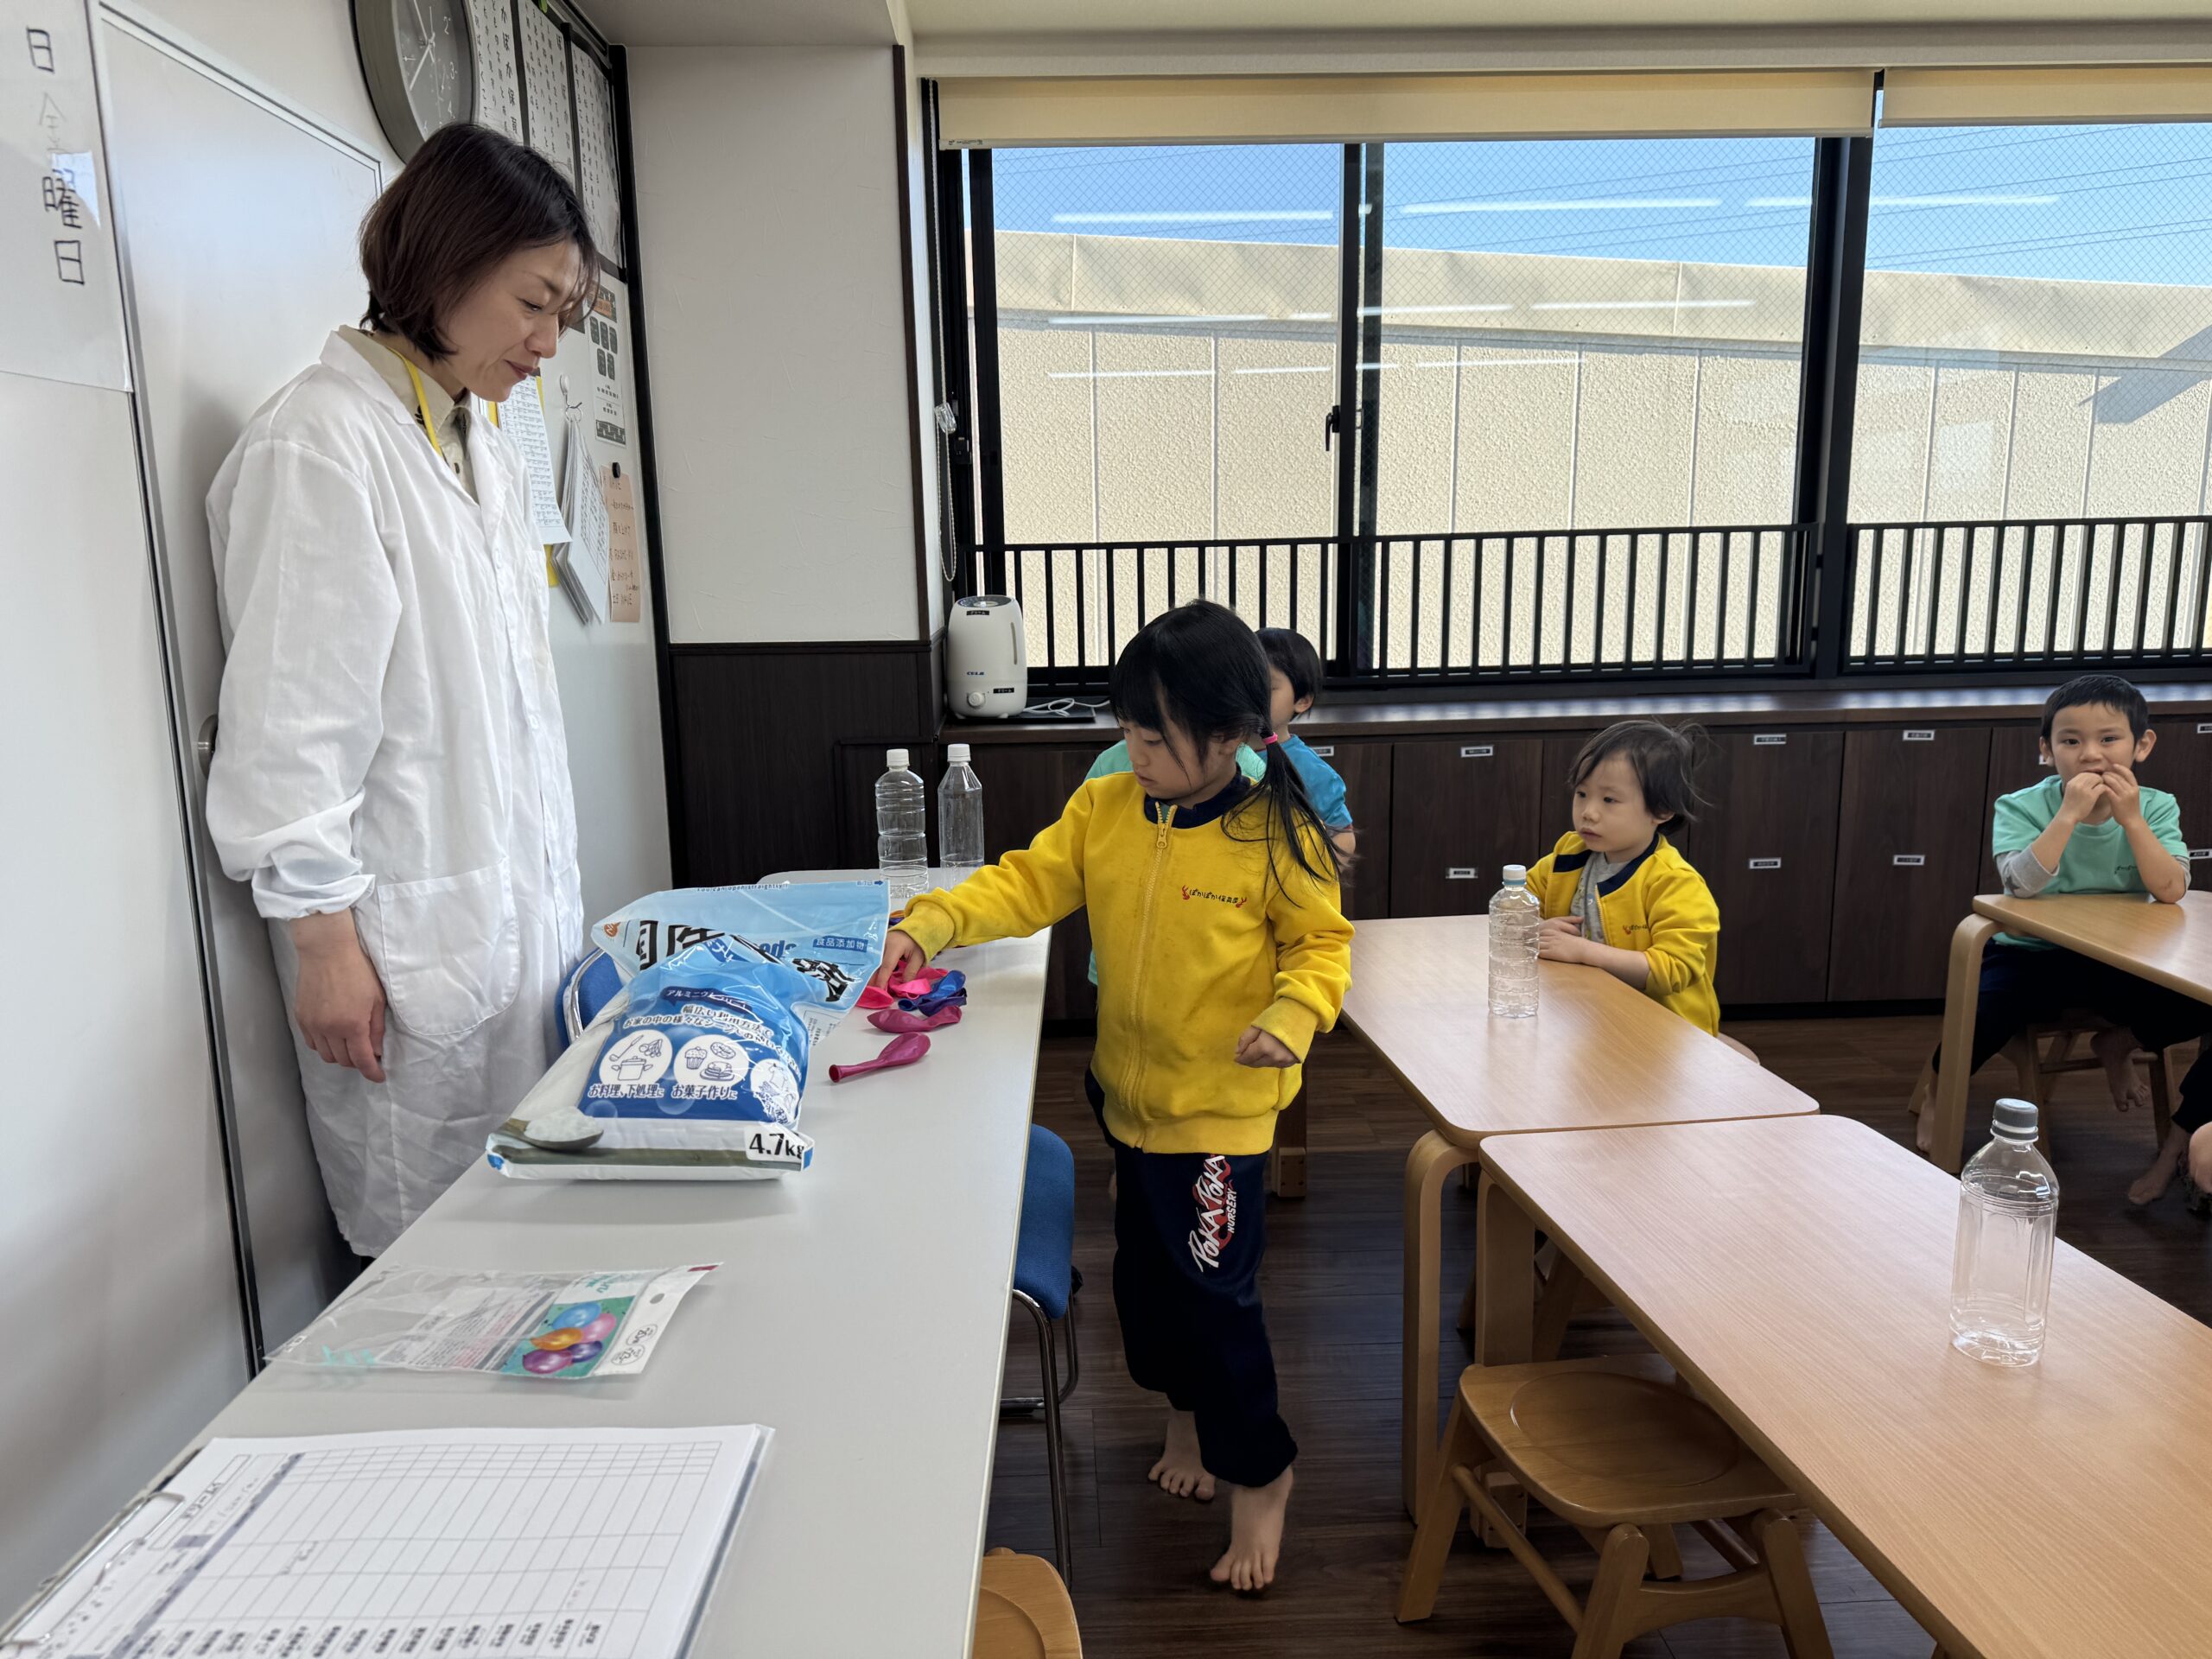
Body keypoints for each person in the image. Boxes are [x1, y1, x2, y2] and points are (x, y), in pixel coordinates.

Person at [875, 601, 1352, 1592]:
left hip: (1219, 1116)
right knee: (1147, 1290)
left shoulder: (1275, 831)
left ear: (1229, 735)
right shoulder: (1106, 809)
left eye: (1155, 738)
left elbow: (1321, 946)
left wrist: (1294, 1016)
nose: (1134, 754)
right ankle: (1184, 1418)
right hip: (1129, 1103)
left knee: (1216, 1303)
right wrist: (931, 922)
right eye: (1128, 731)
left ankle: (1260, 1471)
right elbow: (1024, 884)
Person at [205, 124, 598, 1256]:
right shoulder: (320, 444)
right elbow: (292, 729)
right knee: (433, 1266)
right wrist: (323, 944)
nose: (546, 344)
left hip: (508, 935)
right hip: (406, 951)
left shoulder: (481, 446)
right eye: (532, 304)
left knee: (529, 1256)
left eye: (563, 314)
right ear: (441, 268)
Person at [1910, 674, 2209, 1205]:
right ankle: (1940, 1091)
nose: (2090, 754)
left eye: (2109, 739)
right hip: (2033, 954)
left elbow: (2170, 890)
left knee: (2199, 1003)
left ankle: (2122, 1042)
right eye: (2071, 741)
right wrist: (2068, 815)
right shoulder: (2021, 805)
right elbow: (2020, 885)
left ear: (2142, 745)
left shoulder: (2158, 806)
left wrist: (2132, 821)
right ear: (2047, 751)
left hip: (2122, 958)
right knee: (1985, 1010)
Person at [1523, 721, 1721, 1034]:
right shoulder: (1569, 854)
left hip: (1665, 1034)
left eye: (1609, 800)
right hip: (1588, 1020)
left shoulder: (1675, 882)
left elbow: (1673, 970)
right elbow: (1515, 902)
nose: (1588, 812)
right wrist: (1534, 927)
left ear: (1662, 811)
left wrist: (1583, 951)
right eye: (1582, 794)